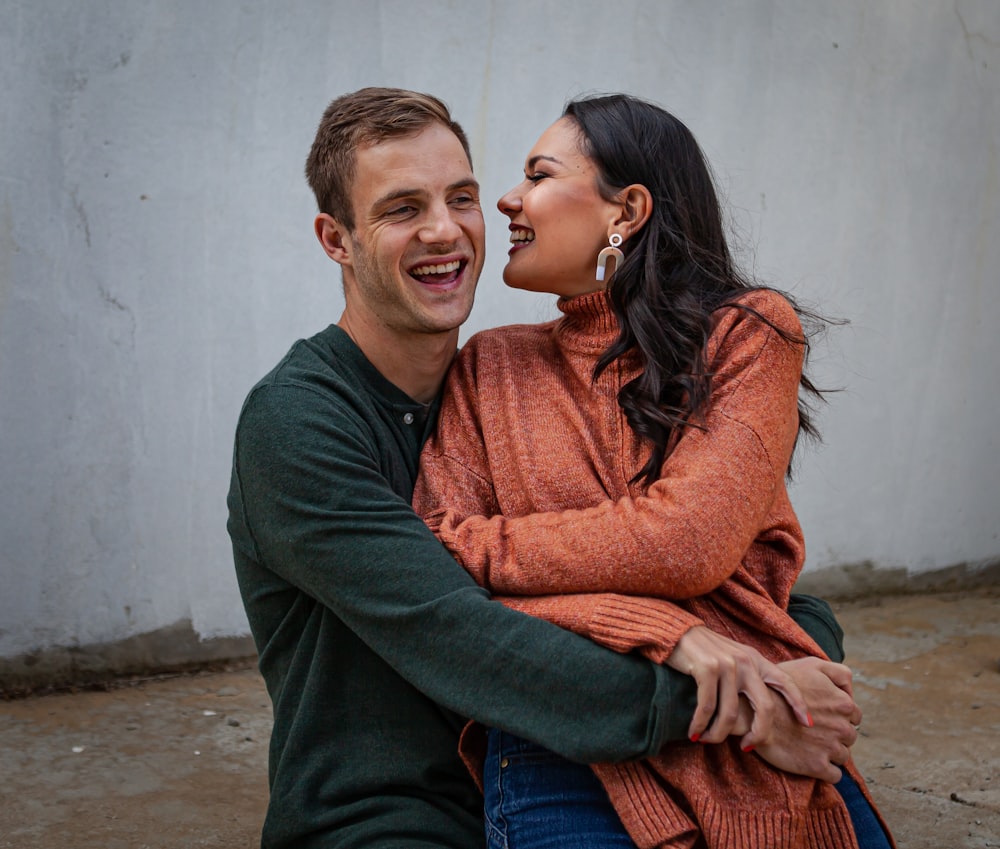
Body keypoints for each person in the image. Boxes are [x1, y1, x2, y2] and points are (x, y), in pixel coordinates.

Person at [227, 87, 865, 849]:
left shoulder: (490, 385)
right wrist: (735, 695)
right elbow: (458, 628)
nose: (449, 227)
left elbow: (715, 563)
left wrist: (785, 637)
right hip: (392, 812)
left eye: (460, 196)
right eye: (401, 209)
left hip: (580, 765)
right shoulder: (299, 421)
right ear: (337, 239)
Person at [414, 94, 895, 848]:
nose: (506, 198)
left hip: (759, 726)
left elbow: (686, 540)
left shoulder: (749, 333)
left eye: (538, 174)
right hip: (561, 734)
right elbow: (439, 575)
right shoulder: (489, 365)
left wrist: (489, 549)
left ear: (627, 210)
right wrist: (664, 627)